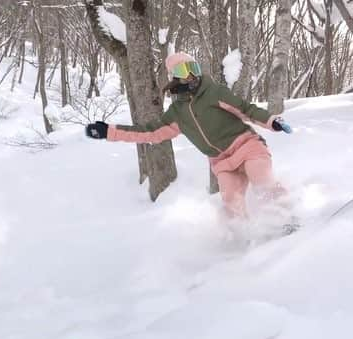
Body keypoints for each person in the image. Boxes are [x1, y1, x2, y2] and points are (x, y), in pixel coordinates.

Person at [85, 52, 294, 228]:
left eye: (193, 67)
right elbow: (149, 132)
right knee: (231, 201)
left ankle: (287, 221)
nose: (192, 75)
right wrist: (109, 132)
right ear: (174, 77)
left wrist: (271, 121)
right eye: (183, 71)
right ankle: (245, 239)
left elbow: (246, 110)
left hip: (247, 146)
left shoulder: (214, 92)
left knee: (262, 181)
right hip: (221, 162)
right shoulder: (177, 113)